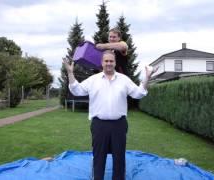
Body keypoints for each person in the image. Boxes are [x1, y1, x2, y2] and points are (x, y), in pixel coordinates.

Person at [63, 50, 157, 180]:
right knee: (98, 156)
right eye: (106, 61)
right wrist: (70, 72)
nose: (108, 63)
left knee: (119, 157)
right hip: (99, 125)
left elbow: (138, 93)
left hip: (119, 124)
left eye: (111, 61)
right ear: (102, 63)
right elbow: (76, 90)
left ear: (115, 62)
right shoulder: (93, 80)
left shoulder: (124, 80)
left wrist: (147, 77)